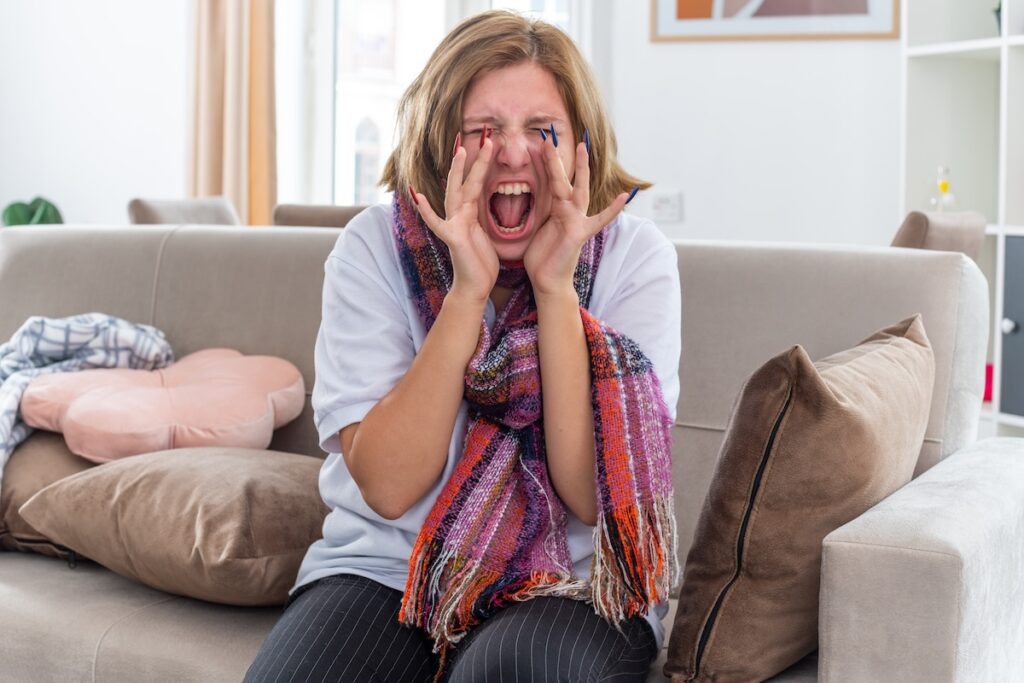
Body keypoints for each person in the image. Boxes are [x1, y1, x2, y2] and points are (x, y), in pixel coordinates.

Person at [244, 9, 681, 682]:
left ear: (580, 148)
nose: (512, 153)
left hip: (575, 581)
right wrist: (466, 293)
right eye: (483, 130)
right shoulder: (372, 250)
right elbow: (388, 487)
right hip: (391, 566)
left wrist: (555, 290)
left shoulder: (635, 260)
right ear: (439, 140)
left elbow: (592, 498)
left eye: (543, 130)